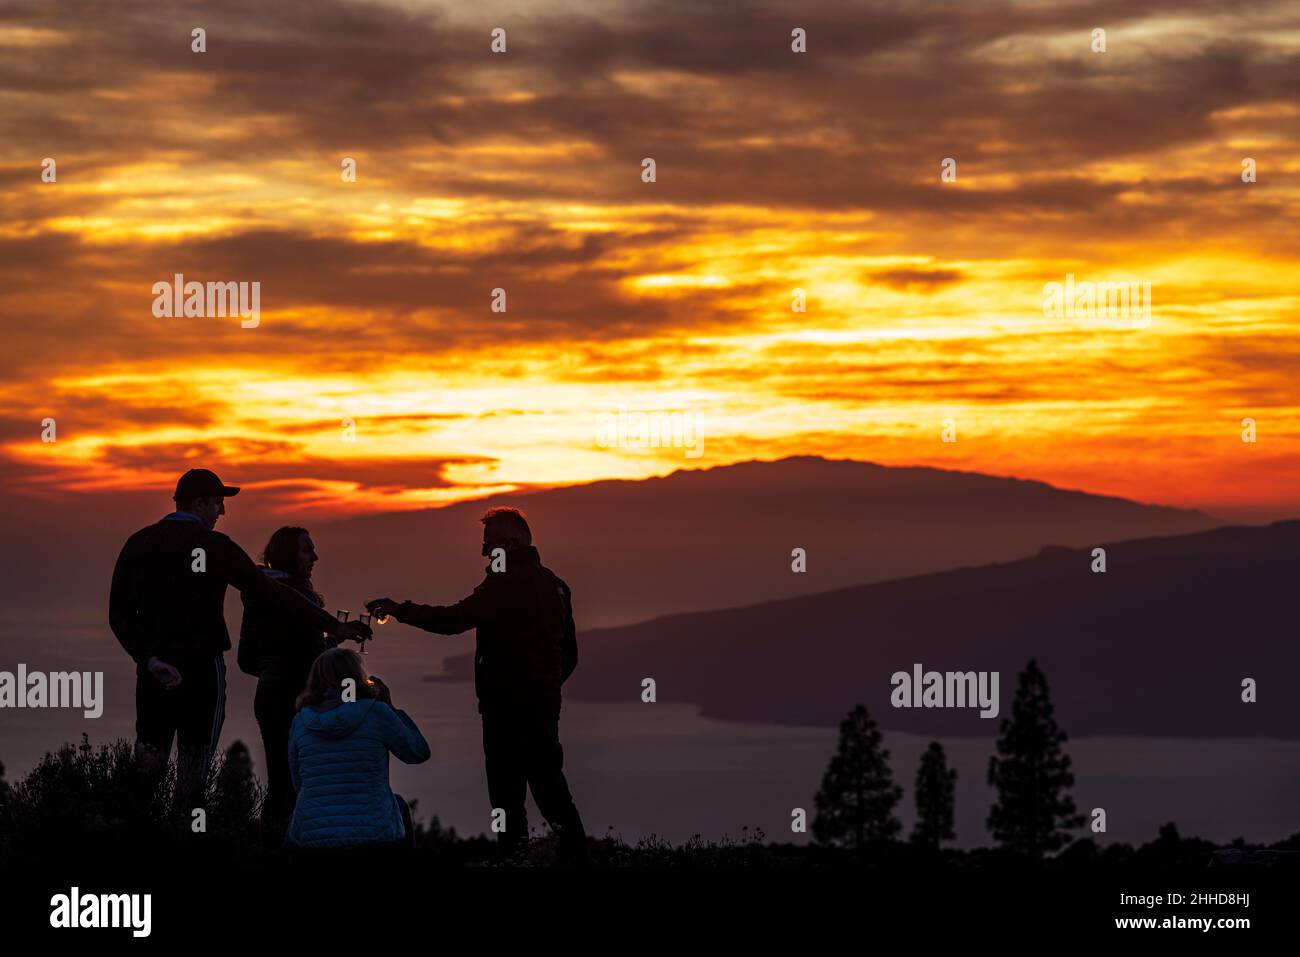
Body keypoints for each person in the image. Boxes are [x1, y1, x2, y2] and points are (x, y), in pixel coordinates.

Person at [108, 468, 371, 811]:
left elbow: (119, 616)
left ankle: (133, 838)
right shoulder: (213, 545)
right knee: (194, 768)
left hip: (153, 672)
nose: (222, 512)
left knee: (148, 763)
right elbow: (270, 591)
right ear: (200, 503)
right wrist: (332, 626)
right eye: (217, 503)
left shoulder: (138, 543)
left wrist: (149, 659)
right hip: (202, 672)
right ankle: (186, 840)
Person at [367, 506, 588, 864]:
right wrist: (545, 687)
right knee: (552, 790)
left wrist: (398, 609)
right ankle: (578, 859)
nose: (484, 554)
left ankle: (513, 860)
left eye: (488, 545)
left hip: (505, 711)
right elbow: (569, 654)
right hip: (542, 706)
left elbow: (454, 619)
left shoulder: (502, 582)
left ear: (510, 543)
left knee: (506, 798)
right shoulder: (557, 586)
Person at [237, 526, 336, 839]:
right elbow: (311, 657)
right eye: (307, 550)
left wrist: (273, 671)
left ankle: (271, 845)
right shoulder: (301, 598)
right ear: (289, 556)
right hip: (299, 699)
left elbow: (245, 659)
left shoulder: (256, 596)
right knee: (307, 779)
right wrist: (332, 646)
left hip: (268, 697)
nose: (315, 557)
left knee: (279, 779)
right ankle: (304, 846)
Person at [286, 647, 430, 849]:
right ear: (355, 677)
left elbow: (299, 783)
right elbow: (418, 752)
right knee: (399, 807)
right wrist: (390, 707)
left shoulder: (300, 722)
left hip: (313, 838)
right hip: (373, 836)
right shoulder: (376, 712)